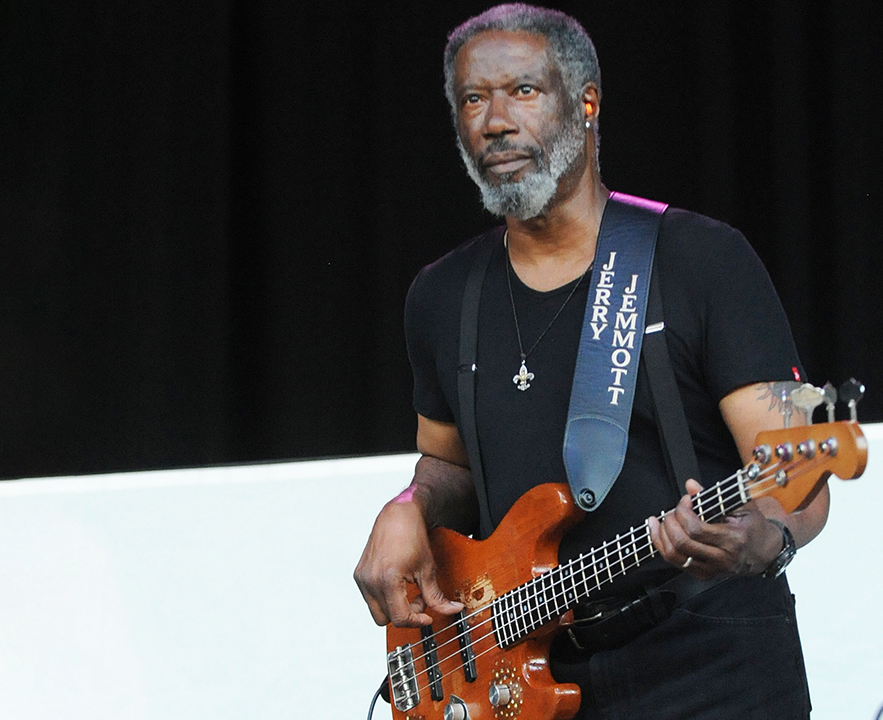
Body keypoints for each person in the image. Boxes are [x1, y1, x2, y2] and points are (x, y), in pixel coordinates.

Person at [354, 4, 829, 718]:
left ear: (586, 102)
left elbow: (801, 465)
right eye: (473, 99)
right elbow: (447, 468)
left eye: (522, 91)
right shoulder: (442, 295)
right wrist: (406, 506)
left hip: (707, 660)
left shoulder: (701, 259)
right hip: (526, 673)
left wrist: (767, 538)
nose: (496, 122)